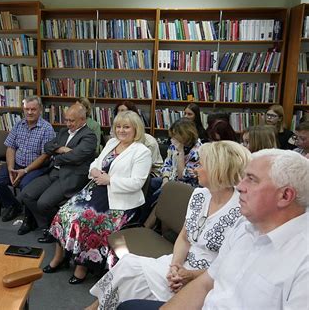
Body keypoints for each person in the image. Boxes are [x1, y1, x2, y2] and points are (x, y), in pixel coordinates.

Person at [118, 149, 309, 310]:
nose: (240, 186)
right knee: (126, 306)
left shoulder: (302, 260)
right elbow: (205, 284)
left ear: (285, 195)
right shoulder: (244, 228)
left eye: (251, 179)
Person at [87, 141, 250, 310]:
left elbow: (231, 267)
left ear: (218, 170)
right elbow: (185, 238)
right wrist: (175, 266)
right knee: (128, 266)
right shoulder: (200, 195)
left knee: (135, 282)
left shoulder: (242, 211)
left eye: (201, 164)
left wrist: (190, 275)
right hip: (180, 264)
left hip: (206, 278)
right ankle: (97, 307)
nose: (195, 169)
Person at [43, 111, 152, 284]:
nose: (121, 130)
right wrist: (93, 170)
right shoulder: (112, 142)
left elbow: (137, 183)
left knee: (88, 222)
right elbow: (96, 162)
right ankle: (60, 256)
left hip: (120, 199)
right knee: (63, 213)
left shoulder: (142, 151)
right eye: (118, 126)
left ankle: (83, 266)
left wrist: (110, 179)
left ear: (136, 129)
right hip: (96, 189)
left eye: (126, 127)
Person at [18, 103, 97, 235]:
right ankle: (48, 224)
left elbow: (76, 157)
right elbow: (47, 146)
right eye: (66, 120)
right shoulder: (63, 132)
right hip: (53, 172)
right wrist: (62, 150)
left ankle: (56, 230)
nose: (68, 124)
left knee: (43, 203)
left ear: (83, 120)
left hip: (70, 177)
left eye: (72, 120)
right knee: (26, 195)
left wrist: (57, 157)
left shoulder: (89, 136)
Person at [0, 96, 55, 222]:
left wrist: (25, 171)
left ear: (40, 109)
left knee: (26, 186)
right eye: (27, 109)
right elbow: (11, 147)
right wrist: (10, 169)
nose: (29, 112)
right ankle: (14, 206)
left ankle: (29, 218)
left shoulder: (47, 129)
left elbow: (45, 156)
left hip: (37, 168)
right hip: (17, 165)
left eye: (33, 109)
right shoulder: (19, 124)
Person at [112, 100, 162, 173]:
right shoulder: (114, 141)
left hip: (149, 173)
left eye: (123, 111)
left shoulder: (149, 142)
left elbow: (145, 168)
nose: (120, 114)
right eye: (118, 111)